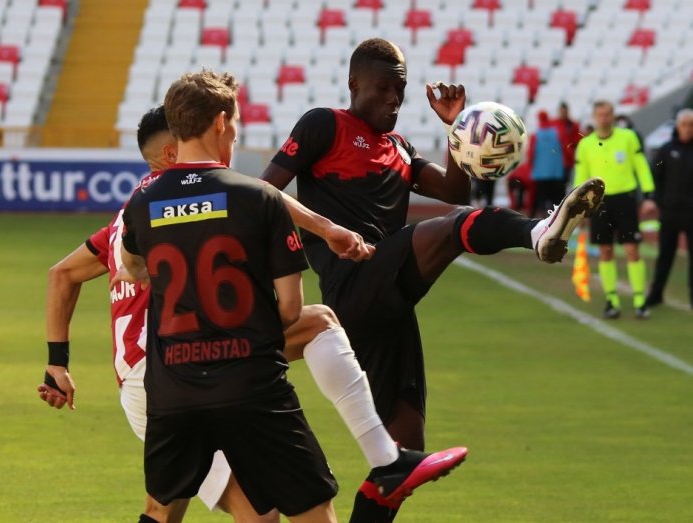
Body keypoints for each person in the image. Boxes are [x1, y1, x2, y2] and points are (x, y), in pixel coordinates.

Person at [41, 94, 466, 521]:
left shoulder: (132, 214)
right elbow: (258, 196)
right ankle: (385, 458)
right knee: (316, 327)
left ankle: (387, 460)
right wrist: (327, 229)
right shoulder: (190, 196)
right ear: (174, 151)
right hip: (175, 366)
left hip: (161, 373)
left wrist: (56, 364)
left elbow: (62, 273)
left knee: (166, 510)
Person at [261, 38, 605, 523]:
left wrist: (457, 130)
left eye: (399, 91)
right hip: (353, 283)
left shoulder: (400, 148)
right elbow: (263, 193)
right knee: (458, 227)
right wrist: (316, 234)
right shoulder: (325, 124)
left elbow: (451, 189)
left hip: (390, 306)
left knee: (403, 455)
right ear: (354, 84)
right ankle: (537, 230)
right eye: (382, 89)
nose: (393, 101)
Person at [574, 100, 656, 319]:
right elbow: (581, 178)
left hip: (625, 199)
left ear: (613, 116)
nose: (604, 118)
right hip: (600, 203)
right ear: (594, 117)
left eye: (608, 114)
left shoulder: (628, 138)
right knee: (605, 251)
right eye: (600, 114)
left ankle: (640, 300)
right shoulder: (586, 145)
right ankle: (612, 300)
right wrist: (579, 206)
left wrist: (649, 194)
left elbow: (641, 166)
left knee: (632, 250)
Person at [646, 108, 693, 309]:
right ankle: (656, 294)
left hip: (692, 213)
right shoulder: (665, 150)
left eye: (691, 125)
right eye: (685, 124)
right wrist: (655, 200)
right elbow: (656, 177)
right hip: (670, 212)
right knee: (665, 256)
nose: (688, 129)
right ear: (678, 126)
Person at [529, 110, 565, 217]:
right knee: (557, 202)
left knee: (542, 200)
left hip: (540, 174)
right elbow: (564, 150)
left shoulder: (536, 135)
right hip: (556, 172)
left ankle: (543, 223)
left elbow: (531, 154)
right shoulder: (557, 133)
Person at [551, 101, 581, 185]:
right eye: (562, 111)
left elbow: (577, 142)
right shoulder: (553, 124)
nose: (563, 113)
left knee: (565, 183)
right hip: (555, 159)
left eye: (565, 111)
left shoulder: (573, 125)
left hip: (567, 160)